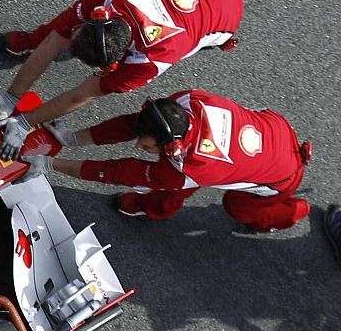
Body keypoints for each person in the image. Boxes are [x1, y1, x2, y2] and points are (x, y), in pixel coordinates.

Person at [0, 0, 243, 158]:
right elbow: (56, 39)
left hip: (225, 16)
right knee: (60, 28)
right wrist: (9, 97)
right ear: (98, 18)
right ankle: (29, 41)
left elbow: (84, 93)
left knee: (100, 68)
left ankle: (216, 40)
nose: (70, 35)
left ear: (119, 60)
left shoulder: (152, 61)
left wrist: (25, 123)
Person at [19, 89, 313, 232]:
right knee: (177, 183)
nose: (136, 145)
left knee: (237, 208)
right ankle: (158, 207)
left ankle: (294, 211)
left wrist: (49, 165)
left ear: (171, 146)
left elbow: (118, 172)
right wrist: (69, 137)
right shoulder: (187, 102)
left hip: (280, 177)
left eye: (144, 144)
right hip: (273, 130)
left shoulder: (192, 165)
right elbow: (129, 125)